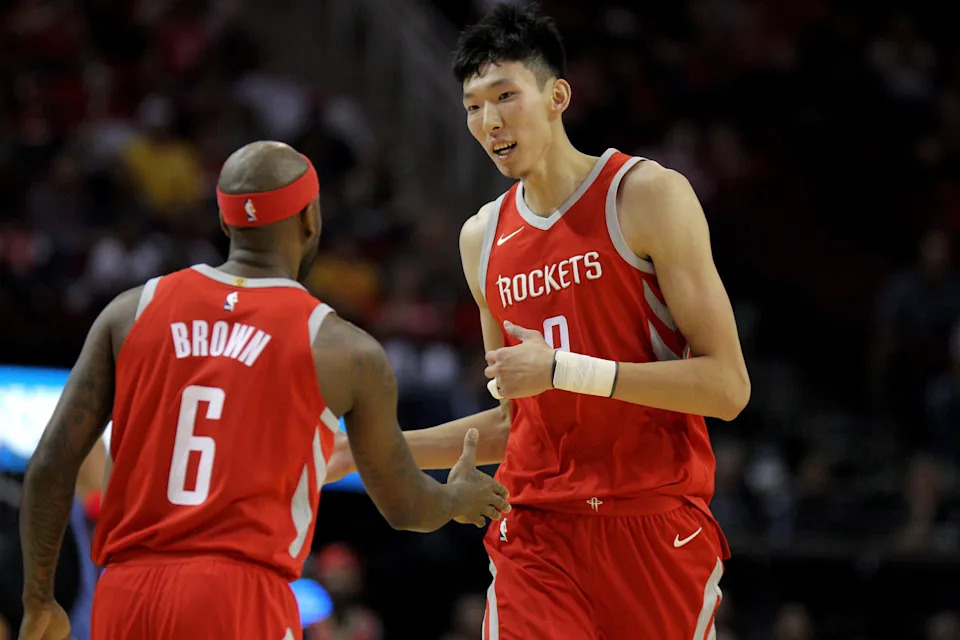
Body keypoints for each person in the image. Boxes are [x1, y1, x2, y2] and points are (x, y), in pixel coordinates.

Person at [326, 5, 750, 639]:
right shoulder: (483, 237)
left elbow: (727, 388)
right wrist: (360, 450)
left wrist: (564, 370)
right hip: (538, 534)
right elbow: (513, 422)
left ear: (558, 96)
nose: (489, 121)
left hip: (654, 524)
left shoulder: (645, 196)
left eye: (506, 96)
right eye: (473, 106)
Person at [18, 141, 510, 640]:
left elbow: (51, 463)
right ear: (311, 219)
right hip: (239, 596)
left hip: (127, 593)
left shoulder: (130, 311)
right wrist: (456, 500)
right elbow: (405, 505)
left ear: (227, 222)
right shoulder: (343, 349)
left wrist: (40, 600)